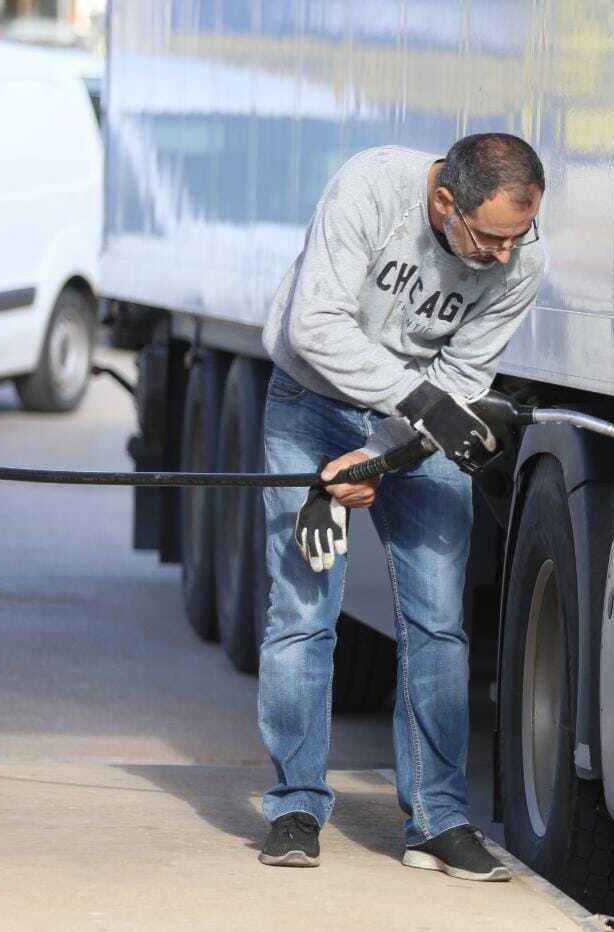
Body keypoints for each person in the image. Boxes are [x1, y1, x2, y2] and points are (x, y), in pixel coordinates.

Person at [253, 134, 546, 879]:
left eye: (520, 236)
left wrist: (379, 455)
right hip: (310, 402)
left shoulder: (520, 263)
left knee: (438, 624)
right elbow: (314, 324)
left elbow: (462, 371)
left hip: (415, 428)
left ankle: (437, 822)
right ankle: (295, 804)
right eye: (490, 238)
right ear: (445, 199)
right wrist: (378, 433)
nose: (505, 257)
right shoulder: (371, 189)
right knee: (303, 610)